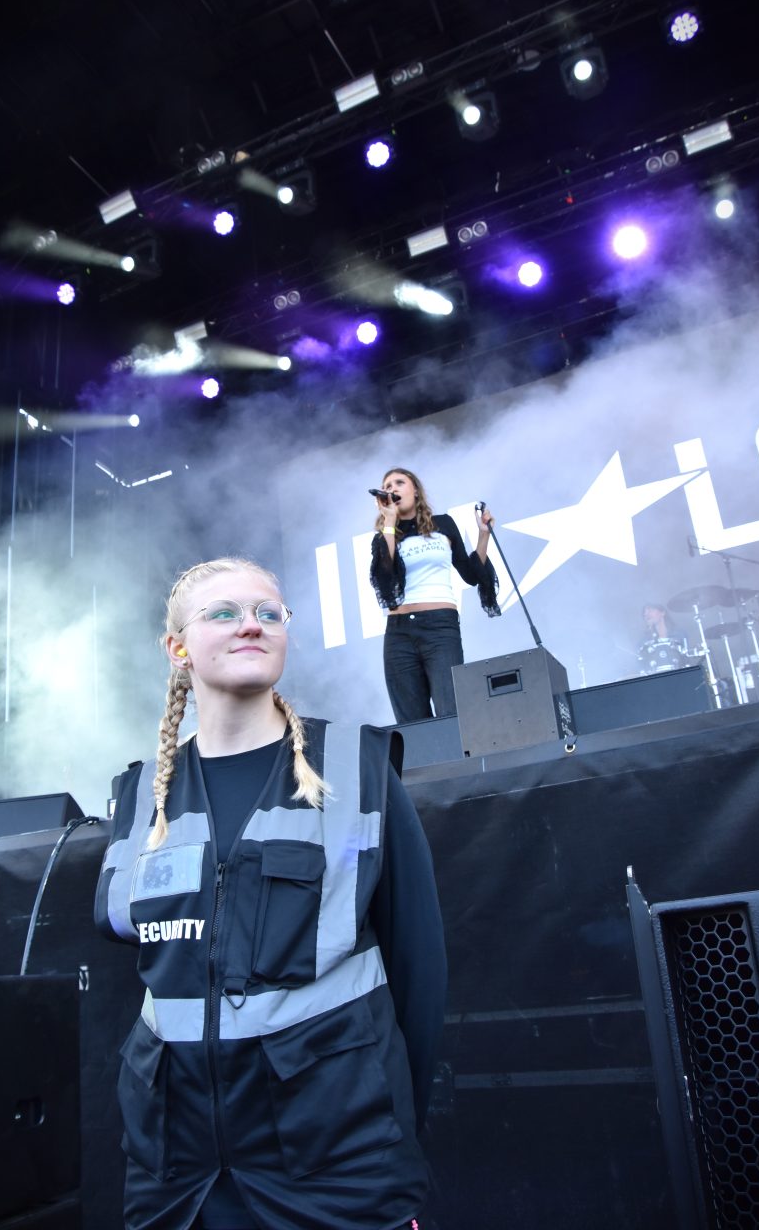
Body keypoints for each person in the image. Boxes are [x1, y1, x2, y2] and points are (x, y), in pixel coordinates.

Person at [94, 556, 447, 1230]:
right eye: (223, 613)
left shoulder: (355, 766)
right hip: (178, 1177)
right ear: (177, 649)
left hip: (337, 1171)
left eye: (267, 613)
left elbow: (418, 971)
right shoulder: (140, 795)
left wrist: (391, 1137)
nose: (250, 625)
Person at [369, 467, 501, 723]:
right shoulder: (385, 535)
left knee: (450, 710)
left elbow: (471, 574)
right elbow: (386, 583)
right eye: (387, 485)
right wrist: (389, 523)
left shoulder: (444, 524)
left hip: (440, 627)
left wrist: (483, 535)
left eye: (399, 482)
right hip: (399, 633)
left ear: (415, 490)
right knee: (411, 719)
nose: (392, 488)